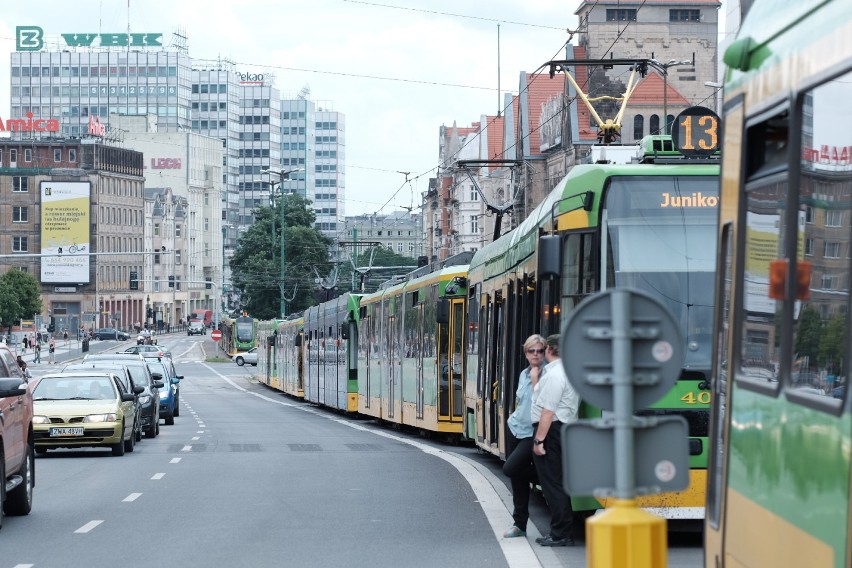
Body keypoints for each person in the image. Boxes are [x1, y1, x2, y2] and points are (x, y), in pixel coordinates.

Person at [531, 334, 579, 547]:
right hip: (562, 430)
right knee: (556, 482)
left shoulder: (555, 375)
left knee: (552, 484)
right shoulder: (569, 372)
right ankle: (563, 531)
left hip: (552, 431)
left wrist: (539, 440)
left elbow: (548, 412)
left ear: (549, 349)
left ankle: (560, 533)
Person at [502, 334, 546, 538]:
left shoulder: (547, 374)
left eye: (540, 350)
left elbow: (542, 403)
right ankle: (519, 524)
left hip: (532, 433)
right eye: (531, 351)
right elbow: (521, 402)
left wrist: (536, 378)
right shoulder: (523, 374)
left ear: (545, 352)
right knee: (517, 479)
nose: (535, 354)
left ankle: (551, 476)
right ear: (526, 353)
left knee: (511, 468)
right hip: (515, 428)